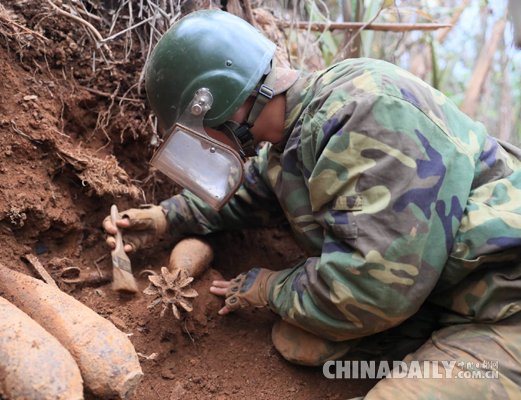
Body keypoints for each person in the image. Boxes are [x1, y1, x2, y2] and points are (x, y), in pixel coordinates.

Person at [103, 9, 521, 399]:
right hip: (442, 296)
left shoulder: (367, 113)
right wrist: (163, 218)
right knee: (300, 342)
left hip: (503, 305)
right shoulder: (296, 135)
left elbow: (368, 290)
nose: (204, 145)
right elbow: (247, 192)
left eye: (198, 132)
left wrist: (269, 288)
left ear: (219, 104)